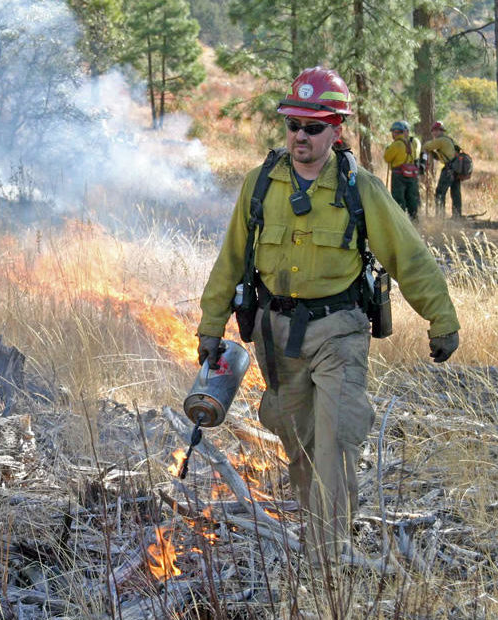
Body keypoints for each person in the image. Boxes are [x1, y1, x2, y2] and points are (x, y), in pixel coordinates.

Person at [195, 67, 460, 564]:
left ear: (336, 129)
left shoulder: (360, 188)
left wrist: (441, 319)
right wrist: (211, 327)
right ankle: (320, 537)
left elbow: (410, 256)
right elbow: (230, 259)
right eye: (294, 124)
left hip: (339, 330)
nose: (300, 135)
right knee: (299, 445)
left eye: (313, 127)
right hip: (275, 334)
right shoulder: (260, 184)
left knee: (336, 444)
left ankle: (326, 565)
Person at [422, 120, 462, 218]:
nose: (434, 132)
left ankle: (440, 217)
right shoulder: (448, 140)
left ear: (441, 131)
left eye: (437, 130)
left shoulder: (441, 140)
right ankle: (457, 217)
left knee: (440, 193)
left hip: (448, 170)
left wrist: (427, 150)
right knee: (455, 193)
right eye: (433, 130)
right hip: (456, 169)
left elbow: (427, 146)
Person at [383, 120, 422, 220]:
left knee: (398, 199)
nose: (393, 134)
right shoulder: (410, 143)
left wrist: (388, 150)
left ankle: (400, 220)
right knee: (411, 198)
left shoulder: (396, 144)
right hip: (411, 175)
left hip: (399, 175)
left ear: (396, 132)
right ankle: (414, 219)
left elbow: (387, 158)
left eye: (393, 132)